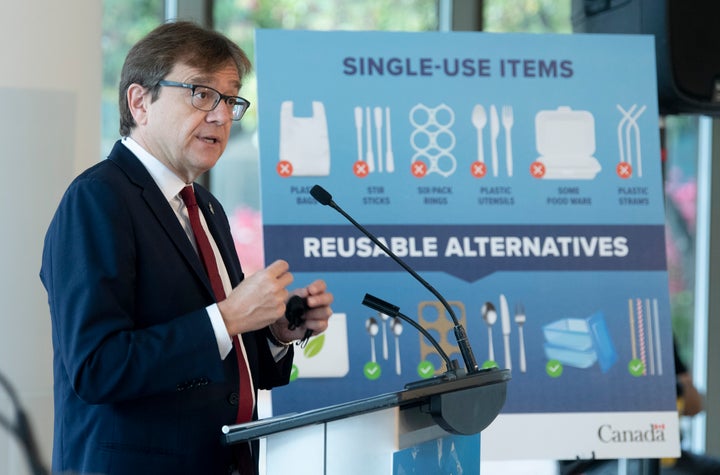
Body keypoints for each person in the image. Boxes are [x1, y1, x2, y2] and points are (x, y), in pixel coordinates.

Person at [40, 21, 333, 475]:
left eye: (230, 100)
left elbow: (218, 358)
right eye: (201, 94)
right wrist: (230, 316)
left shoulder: (205, 208)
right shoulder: (98, 198)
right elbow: (97, 367)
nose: (220, 115)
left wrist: (275, 333)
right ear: (140, 102)